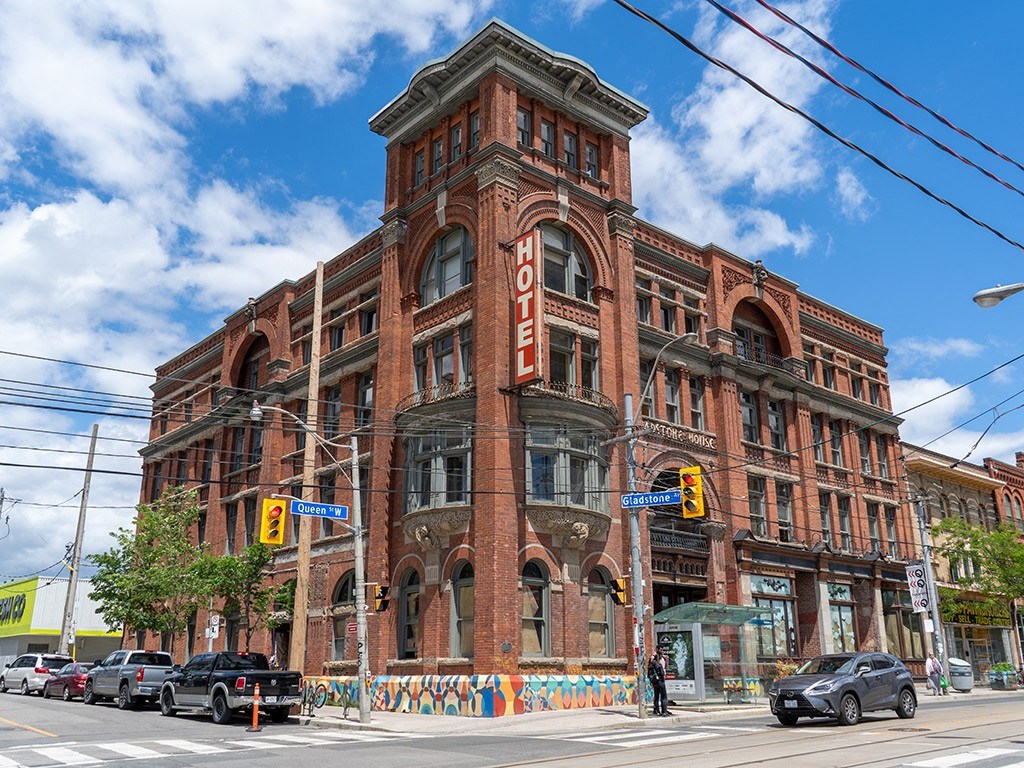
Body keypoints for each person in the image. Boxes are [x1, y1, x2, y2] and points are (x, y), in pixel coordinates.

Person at [648, 647, 669, 716]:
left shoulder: (655, 658)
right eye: (661, 649)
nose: (662, 651)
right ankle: (664, 711)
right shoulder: (657, 659)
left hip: (655, 679)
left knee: (656, 695)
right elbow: (662, 668)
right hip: (660, 679)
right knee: (663, 696)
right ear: (657, 650)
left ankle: (656, 710)